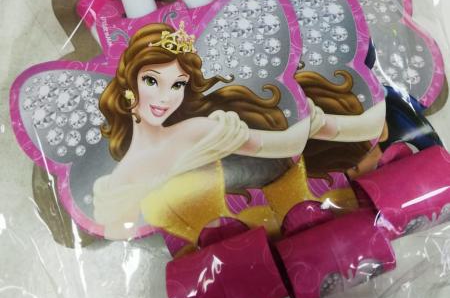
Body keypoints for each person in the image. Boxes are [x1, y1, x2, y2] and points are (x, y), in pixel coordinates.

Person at [93, 22, 385, 241]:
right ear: (129, 83)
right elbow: (118, 232)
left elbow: (288, 143)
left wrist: (315, 119)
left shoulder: (196, 130)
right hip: (218, 260)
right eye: (151, 81)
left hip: (284, 228)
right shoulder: (114, 180)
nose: (165, 98)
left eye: (177, 84)